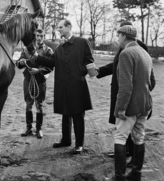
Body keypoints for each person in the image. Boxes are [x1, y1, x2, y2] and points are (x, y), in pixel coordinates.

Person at [97, 21, 155, 168]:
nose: (117, 39)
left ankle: (119, 175)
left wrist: (121, 108)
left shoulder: (126, 53)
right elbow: (150, 81)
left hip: (130, 106)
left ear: (123, 36)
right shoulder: (145, 54)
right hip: (145, 104)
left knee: (120, 137)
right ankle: (136, 172)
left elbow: (125, 86)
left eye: (118, 36)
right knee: (139, 137)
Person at [34, 19, 94, 154]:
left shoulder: (82, 42)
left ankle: (79, 144)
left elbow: (89, 61)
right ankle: (66, 140)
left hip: (77, 85)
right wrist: (37, 57)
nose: (58, 29)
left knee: (78, 114)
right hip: (62, 85)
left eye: (60, 27)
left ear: (68, 26)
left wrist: (79, 73)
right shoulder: (60, 47)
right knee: (65, 113)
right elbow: (52, 62)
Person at [16, 28, 53, 139]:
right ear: (34, 36)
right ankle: (28, 128)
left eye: (41, 36)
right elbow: (18, 64)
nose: (39, 38)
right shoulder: (26, 49)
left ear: (44, 37)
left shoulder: (48, 51)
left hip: (40, 80)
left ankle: (39, 129)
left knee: (39, 105)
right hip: (28, 79)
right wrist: (21, 62)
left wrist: (39, 71)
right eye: (37, 35)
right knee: (28, 104)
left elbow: (51, 67)